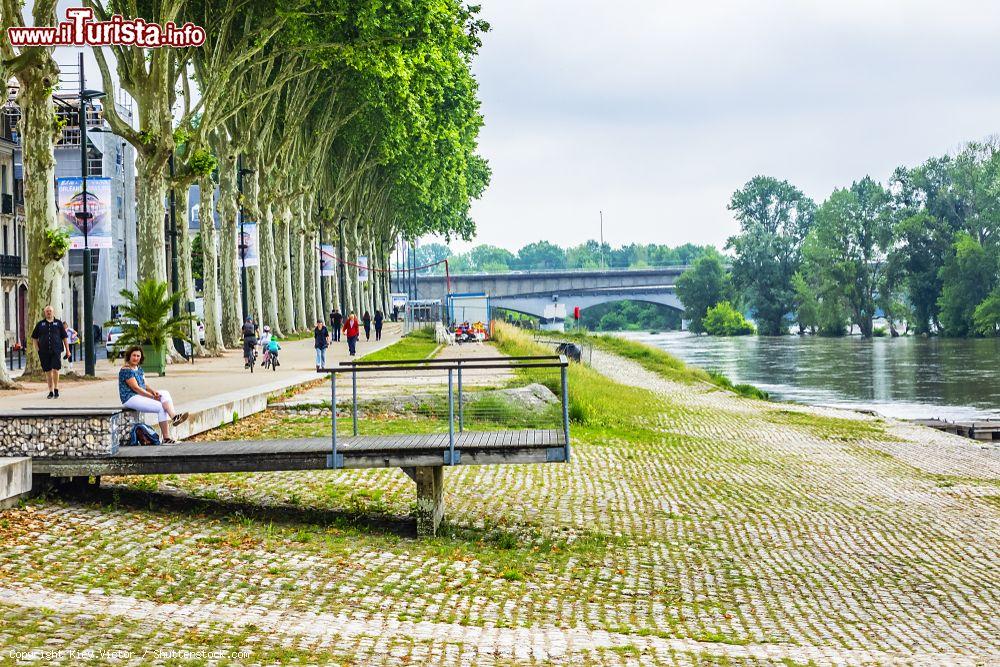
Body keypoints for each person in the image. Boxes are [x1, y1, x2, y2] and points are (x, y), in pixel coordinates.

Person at [119, 346, 188, 443]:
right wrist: (152, 397)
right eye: (134, 355)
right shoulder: (126, 370)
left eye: (138, 356)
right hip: (130, 398)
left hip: (140, 395)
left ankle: (174, 417)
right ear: (129, 356)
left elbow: (144, 385)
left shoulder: (138, 369)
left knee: (164, 393)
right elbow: (136, 388)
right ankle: (166, 438)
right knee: (160, 407)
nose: (136, 358)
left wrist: (153, 391)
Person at [31, 305, 70, 399]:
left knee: (55, 369)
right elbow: (34, 337)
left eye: (50, 311)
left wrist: (68, 351)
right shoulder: (40, 324)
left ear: (53, 312)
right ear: (45, 313)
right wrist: (37, 348)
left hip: (56, 350)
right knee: (48, 371)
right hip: (44, 351)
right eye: (47, 311)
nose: (48, 312)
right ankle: (50, 391)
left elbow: (64, 337)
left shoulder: (59, 323)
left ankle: (56, 388)